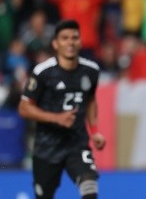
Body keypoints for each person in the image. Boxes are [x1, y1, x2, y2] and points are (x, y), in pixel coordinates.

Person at [18, 20, 106, 199]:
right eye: (64, 38)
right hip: (47, 146)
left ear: (80, 42)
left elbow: (90, 99)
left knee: (90, 189)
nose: (70, 42)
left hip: (77, 143)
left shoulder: (91, 70)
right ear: (55, 44)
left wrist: (95, 131)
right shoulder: (43, 72)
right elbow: (24, 108)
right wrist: (56, 118)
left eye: (74, 37)